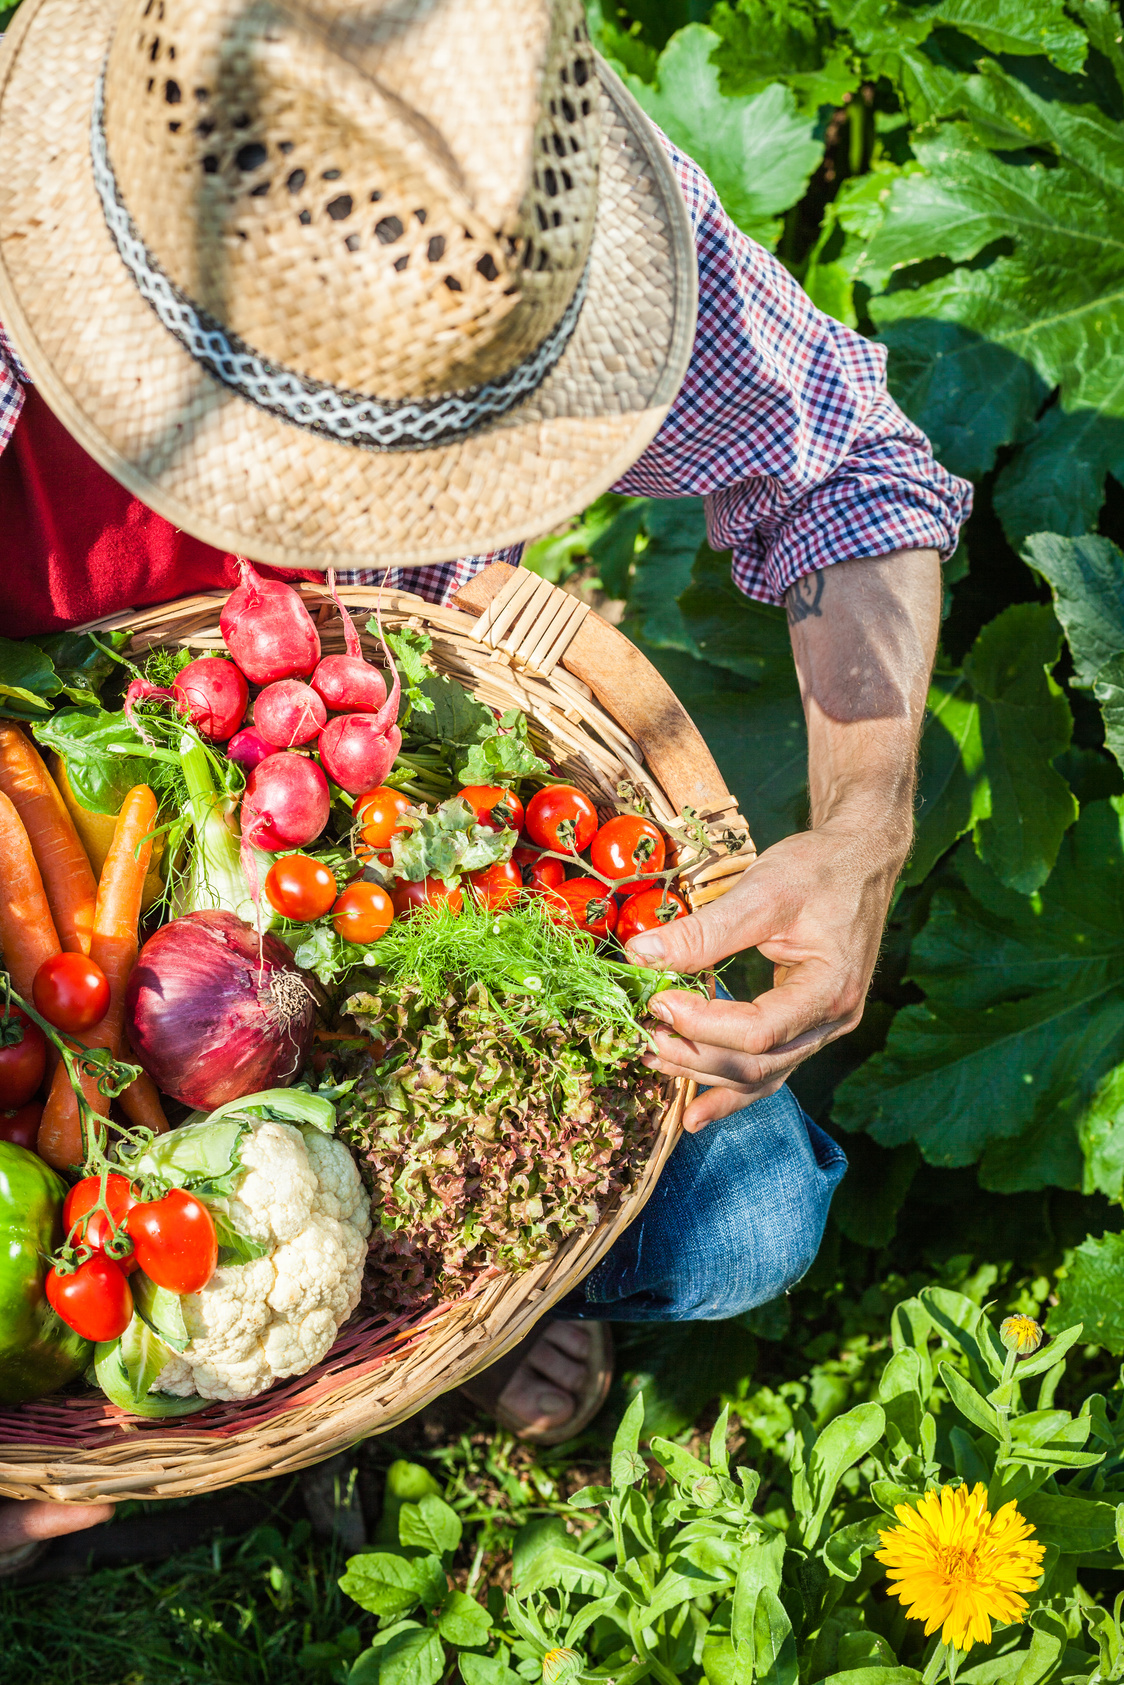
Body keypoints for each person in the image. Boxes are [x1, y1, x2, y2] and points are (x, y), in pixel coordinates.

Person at [0, 0, 969, 1466]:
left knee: (751, 1218)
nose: (307, 508)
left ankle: (435, 1321)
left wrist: (861, 835)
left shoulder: (502, 206)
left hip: (386, 854)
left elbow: (846, 464)